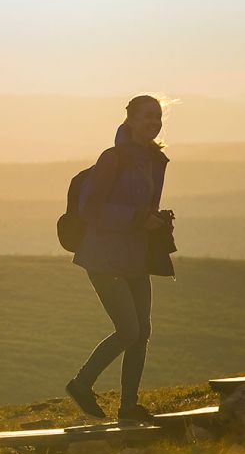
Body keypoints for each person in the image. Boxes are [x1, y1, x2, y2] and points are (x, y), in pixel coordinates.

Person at [65, 95, 174, 423]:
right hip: (104, 257)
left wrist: (155, 220)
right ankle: (81, 384)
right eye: (146, 117)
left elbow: (140, 205)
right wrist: (138, 218)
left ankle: (129, 407)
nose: (153, 122)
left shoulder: (154, 159)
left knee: (143, 330)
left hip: (136, 256)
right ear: (130, 120)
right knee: (129, 330)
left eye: (157, 116)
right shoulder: (113, 158)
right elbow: (91, 208)